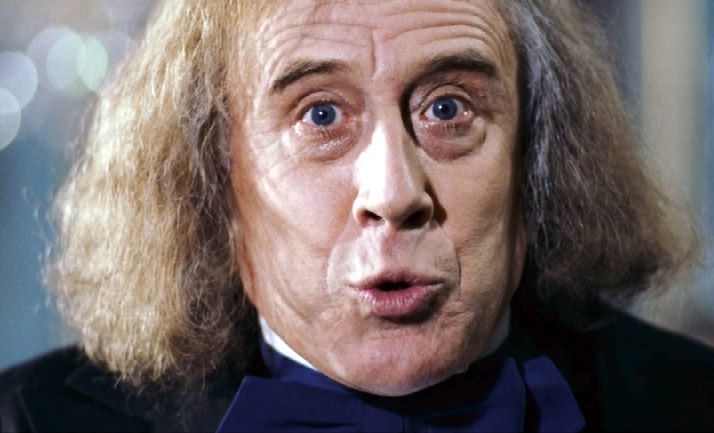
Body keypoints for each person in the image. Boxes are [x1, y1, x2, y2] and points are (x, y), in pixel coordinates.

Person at [1, 0, 712, 431]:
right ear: (215, 180)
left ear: (536, 156)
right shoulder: (29, 419)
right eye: (320, 115)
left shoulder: (691, 402)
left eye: (447, 108)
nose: (394, 193)